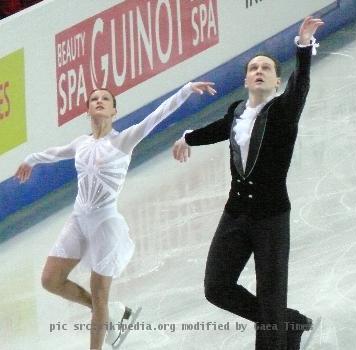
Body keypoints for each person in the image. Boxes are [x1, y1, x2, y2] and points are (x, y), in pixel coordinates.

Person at [15, 81, 216, 349]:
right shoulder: (80, 143)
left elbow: (157, 116)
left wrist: (186, 89)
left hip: (104, 226)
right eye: (94, 99)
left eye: (105, 100)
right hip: (78, 220)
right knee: (50, 280)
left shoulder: (124, 140)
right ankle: (112, 312)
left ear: (114, 111)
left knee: (100, 296)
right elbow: (54, 153)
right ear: (87, 111)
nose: (99, 101)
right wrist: (31, 159)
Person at [172, 17, 324, 350]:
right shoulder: (237, 111)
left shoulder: (284, 110)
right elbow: (218, 129)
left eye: (266, 68)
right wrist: (187, 138)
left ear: (276, 80)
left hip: (271, 218)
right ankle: (289, 321)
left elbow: (301, 84)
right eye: (253, 68)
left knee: (271, 301)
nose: (258, 71)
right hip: (235, 215)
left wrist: (302, 47)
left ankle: (280, 326)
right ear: (245, 80)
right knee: (217, 287)